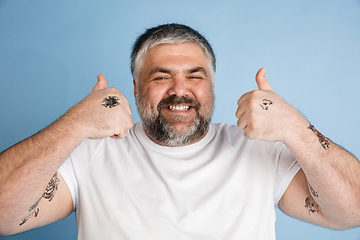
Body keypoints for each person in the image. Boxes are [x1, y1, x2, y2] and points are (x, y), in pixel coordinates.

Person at [0, 23, 359, 239]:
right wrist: (75, 123)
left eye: (195, 76)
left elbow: (352, 211)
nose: (179, 89)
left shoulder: (257, 151)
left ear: (212, 88)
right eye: (160, 76)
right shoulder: (89, 153)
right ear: (136, 89)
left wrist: (294, 128)